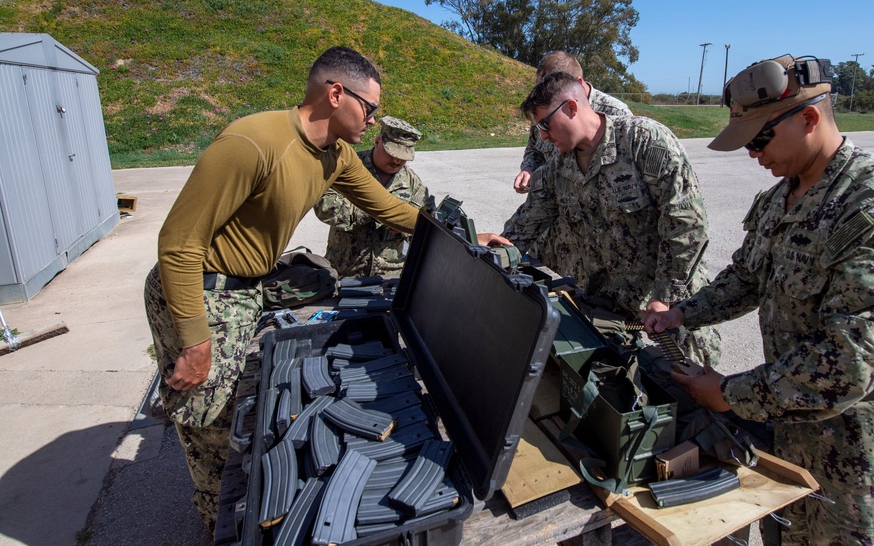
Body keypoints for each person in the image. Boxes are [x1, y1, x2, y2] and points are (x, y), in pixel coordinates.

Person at [645, 54, 874, 544]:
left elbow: (848, 363)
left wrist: (729, 394)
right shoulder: (781, 197)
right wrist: (683, 313)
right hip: (792, 439)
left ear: (809, 119)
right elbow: (746, 278)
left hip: (866, 463)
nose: (752, 154)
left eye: (759, 139)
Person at [143, 46, 420, 530]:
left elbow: (387, 207)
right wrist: (194, 340)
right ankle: (215, 518)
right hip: (203, 287)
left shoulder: (334, 155)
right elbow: (179, 245)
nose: (373, 122)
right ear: (336, 94)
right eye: (369, 108)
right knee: (208, 417)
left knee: (312, 291)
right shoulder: (252, 142)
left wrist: (458, 234)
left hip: (250, 283)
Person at [480, 71, 721, 366]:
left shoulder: (644, 142)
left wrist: (664, 296)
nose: (542, 135)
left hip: (672, 304)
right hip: (611, 304)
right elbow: (527, 222)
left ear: (571, 107)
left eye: (545, 124)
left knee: (689, 388)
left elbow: (687, 225)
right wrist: (491, 252)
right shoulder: (559, 167)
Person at [313, 116, 428, 277]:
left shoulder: (414, 184)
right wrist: (381, 209)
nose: (396, 160)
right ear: (377, 141)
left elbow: (422, 229)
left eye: (403, 156)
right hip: (345, 272)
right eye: (391, 153)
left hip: (391, 275)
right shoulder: (345, 168)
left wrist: (402, 229)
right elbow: (325, 208)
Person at [513, 50, 632, 194]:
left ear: (578, 84)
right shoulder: (544, 109)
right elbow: (534, 148)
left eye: (549, 91)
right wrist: (528, 169)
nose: (544, 134)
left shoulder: (617, 114)